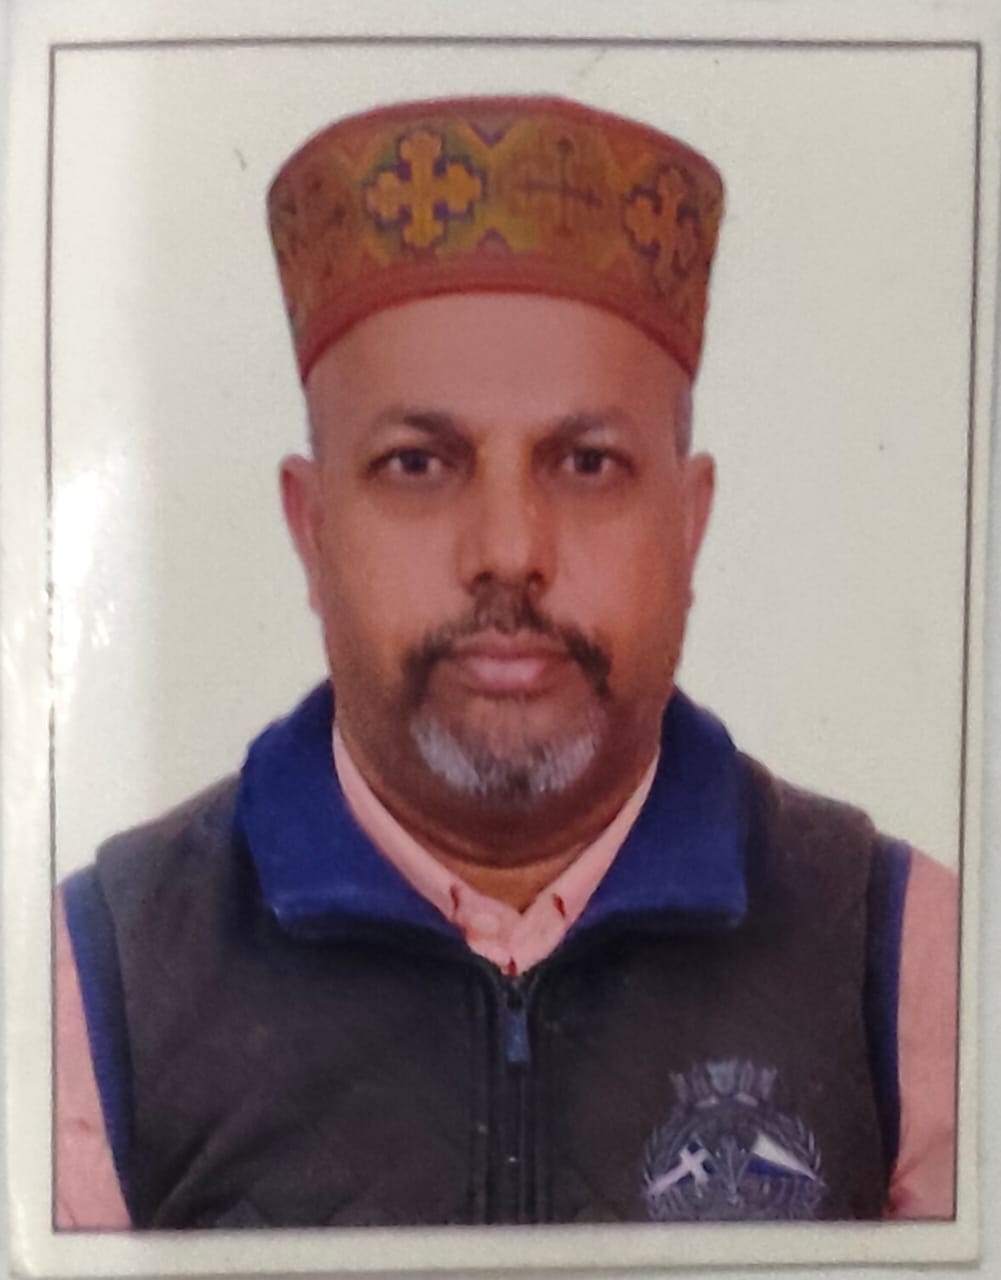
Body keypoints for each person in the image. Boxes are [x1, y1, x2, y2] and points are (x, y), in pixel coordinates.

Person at [54, 94, 957, 1230]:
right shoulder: (91, 991)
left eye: (586, 462)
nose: (509, 551)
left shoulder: (909, 960)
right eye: (417, 463)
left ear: (688, 523)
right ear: (310, 526)